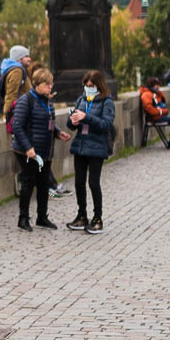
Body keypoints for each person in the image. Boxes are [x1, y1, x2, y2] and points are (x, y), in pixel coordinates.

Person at [65, 69, 114, 234]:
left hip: (96, 147)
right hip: (81, 146)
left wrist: (86, 117)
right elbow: (72, 125)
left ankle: (98, 217)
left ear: (99, 86)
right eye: (86, 85)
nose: (88, 88)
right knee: (79, 182)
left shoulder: (107, 102)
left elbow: (105, 124)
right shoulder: (81, 100)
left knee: (93, 183)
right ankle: (81, 215)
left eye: (91, 85)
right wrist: (72, 120)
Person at [11, 68, 60, 230]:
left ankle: (42, 217)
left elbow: (49, 122)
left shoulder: (47, 101)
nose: (50, 87)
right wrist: (28, 148)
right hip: (28, 150)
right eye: (47, 84)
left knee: (43, 183)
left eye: (51, 84)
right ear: (38, 84)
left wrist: (58, 133)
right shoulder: (26, 100)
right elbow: (16, 126)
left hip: (45, 151)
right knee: (28, 182)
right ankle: (23, 219)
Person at [140, 76, 170, 148]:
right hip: (155, 117)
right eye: (157, 85)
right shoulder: (146, 95)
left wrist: (160, 94)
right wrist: (162, 111)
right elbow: (149, 109)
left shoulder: (155, 93)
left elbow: (162, 101)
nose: (159, 87)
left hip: (160, 116)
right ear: (152, 85)